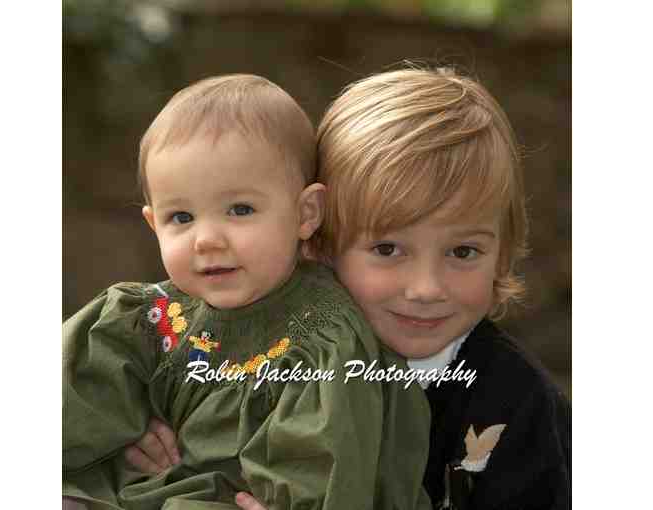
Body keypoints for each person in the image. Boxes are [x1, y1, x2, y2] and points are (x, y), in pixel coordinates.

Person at [129, 67, 570, 510]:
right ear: (317, 239)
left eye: (463, 252)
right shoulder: (256, 350)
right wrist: (135, 428)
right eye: (387, 249)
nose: (426, 288)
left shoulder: (519, 405)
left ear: (502, 253)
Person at [62, 74, 433, 510]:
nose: (206, 240)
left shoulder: (323, 340)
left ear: (306, 213)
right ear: (153, 224)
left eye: (240, 209)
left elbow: (323, 472)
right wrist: (123, 431)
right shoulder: (149, 317)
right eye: (181, 217)